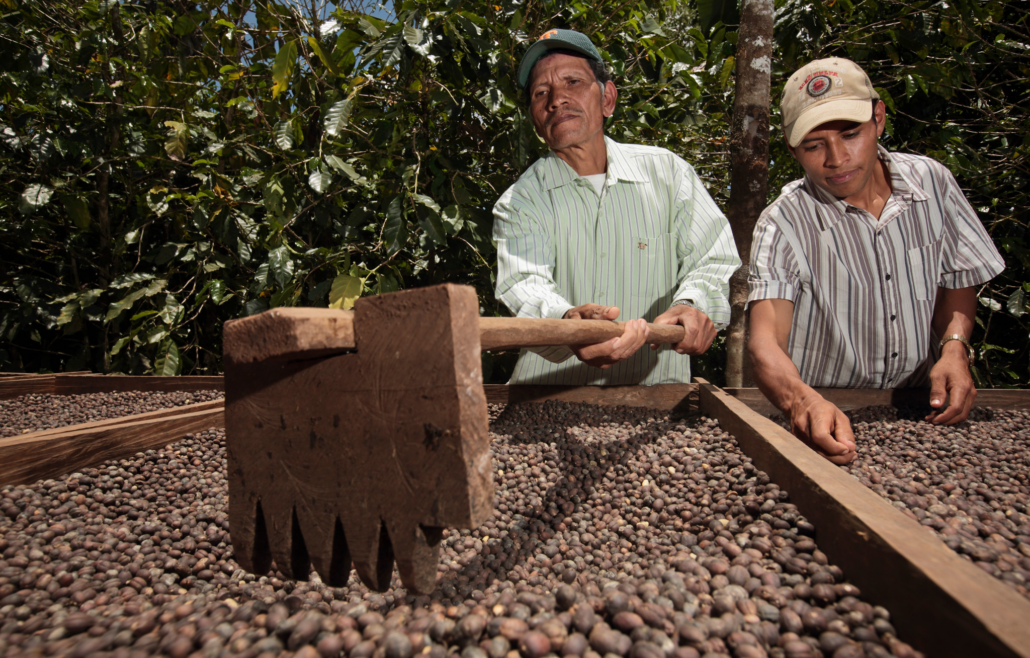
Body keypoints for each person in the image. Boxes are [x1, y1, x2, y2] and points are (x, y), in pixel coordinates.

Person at [747, 57, 1005, 463]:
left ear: (878, 118)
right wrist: (802, 403)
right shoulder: (783, 223)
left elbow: (957, 280)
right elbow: (765, 342)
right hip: (825, 413)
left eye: (851, 134)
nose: (836, 159)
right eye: (814, 145)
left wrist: (954, 349)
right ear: (792, 147)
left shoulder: (932, 183)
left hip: (923, 408)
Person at [492, 29, 740, 385]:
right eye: (541, 92)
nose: (556, 100)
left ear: (607, 98)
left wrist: (695, 303)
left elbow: (713, 258)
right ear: (535, 118)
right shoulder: (521, 201)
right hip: (545, 394)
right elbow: (524, 283)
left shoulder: (668, 174)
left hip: (658, 397)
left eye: (573, 82)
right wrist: (567, 322)